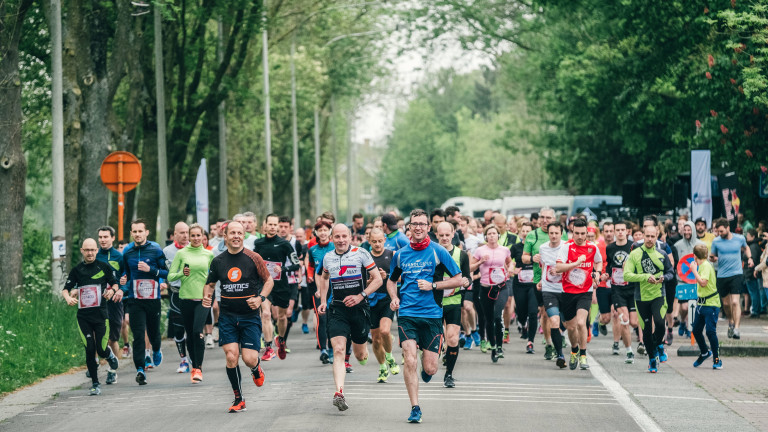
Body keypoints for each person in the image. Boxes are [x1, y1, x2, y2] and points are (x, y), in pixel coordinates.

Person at [387, 209, 463, 423]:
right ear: (408, 227)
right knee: (409, 360)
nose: (418, 227)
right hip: (407, 314)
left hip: (432, 315)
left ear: (428, 227)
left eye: (422, 223)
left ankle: (427, 365)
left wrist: (434, 285)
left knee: (430, 367)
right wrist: (394, 297)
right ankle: (415, 407)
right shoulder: (400, 255)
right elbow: (392, 280)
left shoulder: (439, 251)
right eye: (414, 224)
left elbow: (458, 279)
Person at [203, 220, 274, 413]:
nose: (236, 236)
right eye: (232, 233)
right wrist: (206, 297)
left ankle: (255, 368)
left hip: (249, 316)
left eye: (239, 233)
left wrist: (260, 299)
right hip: (227, 316)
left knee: (249, 358)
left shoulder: (253, 257)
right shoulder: (218, 261)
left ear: (244, 236)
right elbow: (210, 284)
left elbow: (268, 281)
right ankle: (238, 398)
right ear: (225, 236)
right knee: (231, 356)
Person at [317, 224, 383, 411]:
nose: (341, 240)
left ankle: (361, 353)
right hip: (337, 309)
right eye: (337, 236)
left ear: (350, 236)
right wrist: (323, 300)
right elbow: (324, 278)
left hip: (359, 309)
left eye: (344, 236)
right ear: (332, 238)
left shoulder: (361, 253)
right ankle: (339, 392)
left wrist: (360, 295)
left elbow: (378, 279)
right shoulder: (328, 257)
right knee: (338, 349)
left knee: (360, 353)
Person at [62, 238, 120, 396]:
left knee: (101, 350)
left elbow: (115, 284)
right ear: (82, 251)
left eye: (92, 250)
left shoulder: (103, 267)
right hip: (84, 317)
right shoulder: (77, 270)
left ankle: (109, 355)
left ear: (96, 250)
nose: (90, 253)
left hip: (101, 316)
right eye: (86, 250)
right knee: (89, 348)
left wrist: (112, 291)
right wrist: (68, 298)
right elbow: (66, 289)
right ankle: (95, 383)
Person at [113, 219, 167, 385]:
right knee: (137, 335)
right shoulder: (127, 253)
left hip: (153, 299)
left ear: (146, 232)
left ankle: (156, 350)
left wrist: (151, 270)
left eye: (140, 231)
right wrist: (123, 283)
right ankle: (140, 370)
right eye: (134, 232)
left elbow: (166, 272)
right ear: (131, 233)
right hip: (135, 300)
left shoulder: (156, 250)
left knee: (153, 333)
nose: (137, 234)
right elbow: (126, 275)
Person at [167, 223, 214, 383]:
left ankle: (198, 368)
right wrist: (181, 273)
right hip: (185, 299)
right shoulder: (181, 254)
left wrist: (210, 293)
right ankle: (194, 367)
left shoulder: (209, 255)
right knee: (189, 335)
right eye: (192, 235)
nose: (195, 238)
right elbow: (170, 276)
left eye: (198, 235)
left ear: (203, 237)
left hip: (203, 299)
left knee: (197, 332)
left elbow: (214, 278)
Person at [624, 226, 674, 373]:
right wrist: (645, 277)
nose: (650, 239)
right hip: (641, 297)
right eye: (647, 236)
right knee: (646, 329)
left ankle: (658, 344)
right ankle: (652, 359)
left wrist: (664, 278)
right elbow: (627, 275)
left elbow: (671, 272)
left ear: (657, 236)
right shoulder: (635, 254)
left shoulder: (662, 253)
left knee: (659, 323)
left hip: (659, 294)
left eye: (653, 236)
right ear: (643, 236)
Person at [555, 219, 602, 371]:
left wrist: (597, 273)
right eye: (577, 233)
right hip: (568, 291)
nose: (581, 237)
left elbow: (599, 262)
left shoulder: (592, 247)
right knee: (571, 327)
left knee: (582, 323)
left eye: (584, 234)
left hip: (585, 291)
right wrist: (576, 263)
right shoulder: (566, 247)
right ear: (572, 232)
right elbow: (559, 267)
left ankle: (583, 354)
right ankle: (574, 350)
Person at [253, 214, 301, 361]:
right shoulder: (258, 243)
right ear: (265, 225)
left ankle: (281, 340)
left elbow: (296, 263)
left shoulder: (284, 244)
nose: (273, 227)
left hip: (281, 285)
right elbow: (254, 262)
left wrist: (284, 270)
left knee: (282, 316)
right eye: (271, 224)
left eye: (276, 225)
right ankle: (268, 347)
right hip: (264, 284)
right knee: (266, 314)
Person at [470, 224, 514, 363]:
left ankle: (500, 346)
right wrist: (481, 262)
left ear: (498, 235)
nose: (491, 236)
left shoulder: (504, 250)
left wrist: (511, 269)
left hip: (501, 287)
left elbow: (509, 262)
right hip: (485, 288)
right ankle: (493, 347)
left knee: (496, 316)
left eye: (494, 233)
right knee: (489, 319)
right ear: (485, 236)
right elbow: (470, 267)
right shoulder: (479, 250)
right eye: (489, 234)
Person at [435, 222, 470, 388]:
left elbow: (468, 277)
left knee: (453, 338)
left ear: (452, 234)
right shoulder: (430, 253)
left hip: (453, 301)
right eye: (441, 235)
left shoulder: (461, 255)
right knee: (432, 340)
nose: (444, 238)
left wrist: (465, 281)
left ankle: (449, 374)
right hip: (433, 302)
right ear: (436, 235)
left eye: (447, 235)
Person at [710, 217, 753, 340]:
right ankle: (731, 321)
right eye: (718, 232)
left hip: (736, 274)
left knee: (735, 302)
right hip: (722, 275)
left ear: (728, 228)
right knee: (726, 304)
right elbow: (713, 255)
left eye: (721, 231)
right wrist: (712, 258)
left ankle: (737, 329)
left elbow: (746, 248)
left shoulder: (739, 238)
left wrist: (749, 258)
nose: (719, 234)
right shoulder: (716, 241)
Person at [367, 228, 400, 383]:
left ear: (384, 240)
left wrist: (387, 277)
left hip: (387, 299)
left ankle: (389, 356)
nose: (377, 244)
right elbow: (362, 282)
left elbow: (401, 278)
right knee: (376, 339)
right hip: (371, 300)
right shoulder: (366, 257)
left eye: (380, 241)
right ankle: (382, 367)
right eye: (374, 241)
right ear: (369, 241)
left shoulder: (392, 255)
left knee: (385, 331)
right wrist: (373, 280)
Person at [603, 221, 637, 363]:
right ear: (615, 232)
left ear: (627, 231)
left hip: (632, 288)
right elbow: (610, 265)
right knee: (624, 319)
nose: (621, 232)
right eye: (618, 230)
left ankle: (637, 342)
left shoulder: (633, 247)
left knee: (634, 322)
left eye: (623, 230)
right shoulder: (610, 248)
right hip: (617, 289)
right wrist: (606, 274)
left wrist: (629, 268)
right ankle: (629, 351)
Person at [96, 226, 124, 385]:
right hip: (98, 302)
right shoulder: (94, 255)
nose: (102, 240)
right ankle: (93, 364)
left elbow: (125, 279)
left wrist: (119, 291)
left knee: (113, 338)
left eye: (106, 237)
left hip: (114, 303)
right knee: (96, 335)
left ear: (112, 238)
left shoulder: (119, 257)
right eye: (100, 237)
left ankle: (113, 371)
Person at [538, 222, 568, 368]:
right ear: (548, 234)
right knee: (554, 321)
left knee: (568, 324)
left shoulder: (567, 247)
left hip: (566, 289)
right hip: (549, 289)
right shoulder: (543, 248)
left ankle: (575, 350)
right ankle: (560, 354)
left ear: (561, 233)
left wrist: (560, 271)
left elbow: (573, 267)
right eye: (551, 233)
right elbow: (544, 265)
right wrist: (541, 280)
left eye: (556, 233)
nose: (554, 236)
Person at [163, 222, 191, 374]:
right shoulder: (167, 251)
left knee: (193, 329)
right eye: (181, 233)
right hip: (176, 292)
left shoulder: (196, 249)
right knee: (179, 330)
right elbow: (162, 270)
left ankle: (194, 358)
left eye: (187, 232)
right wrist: (162, 282)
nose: (185, 235)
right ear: (174, 234)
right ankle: (183, 360)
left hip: (193, 293)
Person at [690, 244, 723, 369]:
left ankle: (716, 359)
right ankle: (705, 352)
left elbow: (703, 283)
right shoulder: (703, 265)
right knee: (696, 330)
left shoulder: (705, 266)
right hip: (701, 304)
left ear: (694, 256)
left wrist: (693, 271)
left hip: (711, 304)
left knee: (710, 331)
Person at [307, 221, 335, 363]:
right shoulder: (313, 250)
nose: (323, 233)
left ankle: (331, 350)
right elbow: (313, 268)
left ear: (330, 231)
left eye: (325, 230)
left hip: (335, 289)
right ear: (316, 232)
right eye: (320, 230)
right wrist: (317, 287)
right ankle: (322, 349)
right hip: (319, 290)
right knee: (321, 319)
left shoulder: (335, 247)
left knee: (331, 319)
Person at [673, 220, 703, 338]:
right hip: (682, 280)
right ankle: (682, 322)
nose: (686, 232)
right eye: (685, 230)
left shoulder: (700, 244)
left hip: (696, 280)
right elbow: (676, 262)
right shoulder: (677, 245)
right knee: (685, 307)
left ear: (693, 230)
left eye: (689, 229)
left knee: (694, 306)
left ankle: (691, 329)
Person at [512, 222, 538, 354]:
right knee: (521, 312)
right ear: (520, 232)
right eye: (523, 230)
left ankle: (530, 342)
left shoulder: (535, 247)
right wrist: (512, 270)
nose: (526, 233)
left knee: (533, 312)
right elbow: (507, 262)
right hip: (519, 285)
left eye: (528, 231)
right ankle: (522, 323)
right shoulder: (515, 247)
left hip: (533, 285)